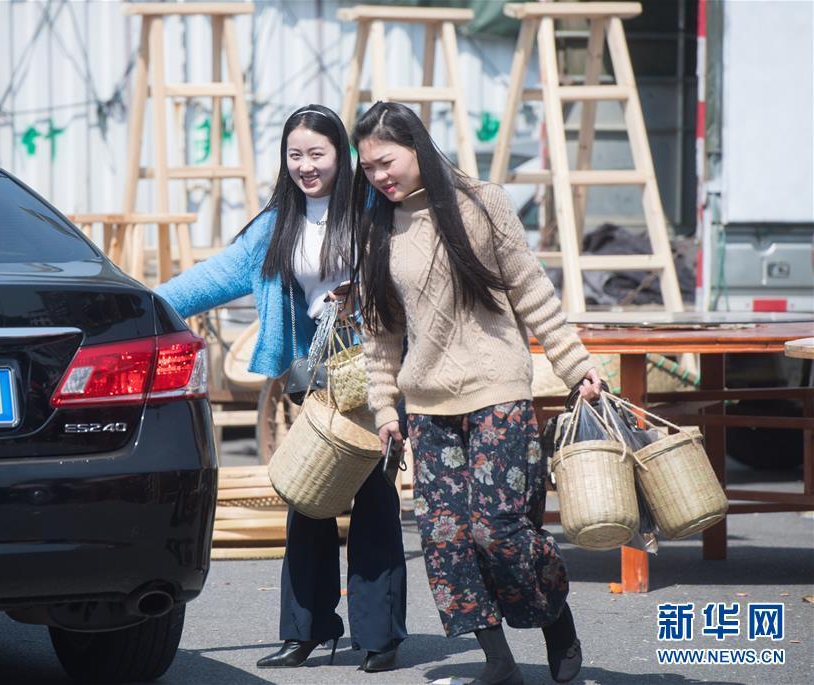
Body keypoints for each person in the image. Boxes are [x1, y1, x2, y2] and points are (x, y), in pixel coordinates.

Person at [350, 101, 602, 685]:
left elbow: (531, 289)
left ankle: (557, 622)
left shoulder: (483, 203)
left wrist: (574, 365)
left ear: (417, 148)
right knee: (446, 537)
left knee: (498, 529)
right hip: (428, 408)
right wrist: (385, 408)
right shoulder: (376, 230)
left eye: (387, 162)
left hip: (498, 392)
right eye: (368, 169)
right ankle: (498, 662)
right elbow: (380, 335)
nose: (380, 176)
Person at [156, 104, 407, 672]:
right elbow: (213, 277)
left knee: (374, 500)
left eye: (317, 153)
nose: (305, 166)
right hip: (316, 377)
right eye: (295, 155)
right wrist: (141, 304)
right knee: (307, 493)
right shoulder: (277, 223)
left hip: (376, 370)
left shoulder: (374, 210)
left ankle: (379, 637)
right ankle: (306, 632)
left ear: (342, 155)